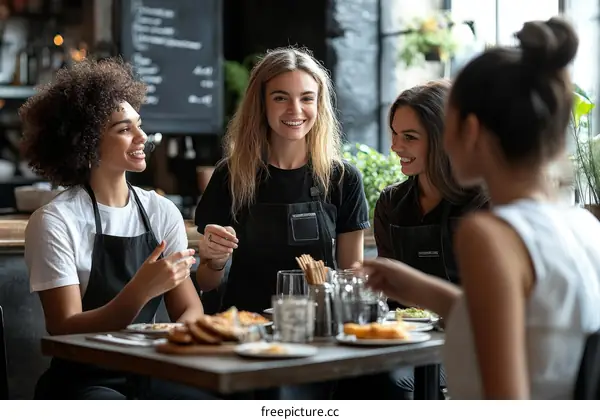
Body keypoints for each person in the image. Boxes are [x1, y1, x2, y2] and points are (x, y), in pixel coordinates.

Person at [358, 17, 600, 399]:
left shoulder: (490, 233)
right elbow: (529, 329)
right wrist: (422, 289)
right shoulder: (584, 225)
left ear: (469, 129)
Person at [21, 57, 213, 400]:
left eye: (139, 125)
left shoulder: (160, 211)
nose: (142, 137)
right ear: (88, 143)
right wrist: (139, 291)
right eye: (124, 129)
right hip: (85, 384)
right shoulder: (55, 221)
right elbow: (63, 327)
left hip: (152, 371)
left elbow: (189, 309)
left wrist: (177, 345)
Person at [194, 47, 370, 315]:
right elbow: (207, 282)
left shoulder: (343, 179)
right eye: (280, 98)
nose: (295, 110)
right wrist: (214, 261)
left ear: (319, 104)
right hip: (245, 329)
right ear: (261, 103)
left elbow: (350, 277)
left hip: (319, 328)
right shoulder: (230, 176)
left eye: (307, 98)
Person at [374, 80, 487, 296]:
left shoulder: (485, 202)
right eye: (394, 134)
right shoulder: (391, 203)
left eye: (409, 137)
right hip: (402, 328)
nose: (395, 147)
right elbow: (387, 288)